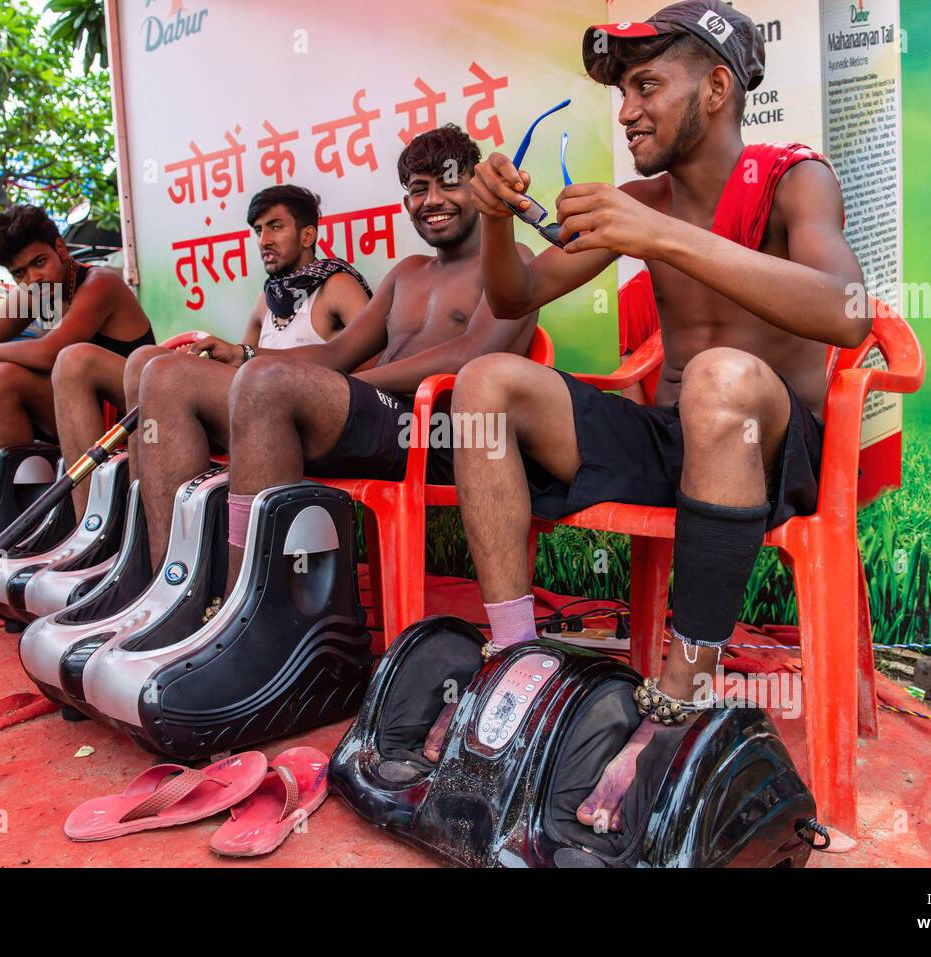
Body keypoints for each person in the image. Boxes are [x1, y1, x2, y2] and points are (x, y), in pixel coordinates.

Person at [440, 1, 866, 837]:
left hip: (771, 449)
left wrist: (662, 237)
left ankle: (677, 700)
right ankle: (518, 663)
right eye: (623, 92)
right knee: (487, 379)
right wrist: (496, 219)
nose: (627, 110)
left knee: (719, 376)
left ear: (715, 89)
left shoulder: (794, 177)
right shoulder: (643, 200)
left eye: (646, 86)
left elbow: (849, 312)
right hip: (673, 437)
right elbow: (514, 295)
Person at [134, 124, 539, 595]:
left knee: (268, 382)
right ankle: (173, 588)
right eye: (417, 189)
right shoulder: (407, 272)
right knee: (165, 374)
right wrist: (243, 353)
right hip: (371, 419)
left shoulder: (515, 260)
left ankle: (242, 607)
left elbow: (475, 354)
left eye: (448, 183)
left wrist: (364, 383)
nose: (432, 200)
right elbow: (337, 353)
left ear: (477, 186)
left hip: (433, 435)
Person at [51, 184, 371, 517]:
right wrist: (206, 362)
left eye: (276, 227)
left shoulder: (336, 286)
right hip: (252, 413)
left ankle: (161, 534)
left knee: (166, 375)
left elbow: (369, 367)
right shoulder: (267, 301)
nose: (264, 240)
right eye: (259, 231)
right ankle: (138, 523)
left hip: (304, 421)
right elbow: (242, 368)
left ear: (307, 236)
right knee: (145, 361)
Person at [0, 204, 155, 486]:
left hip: (126, 413)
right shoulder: (37, 292)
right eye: (19, 273)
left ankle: (14, 502)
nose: (32, 277)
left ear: (61, 249)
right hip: (76, 405)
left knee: (4, 378)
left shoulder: (100, 283)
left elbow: (48, 353)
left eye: (39, 262)